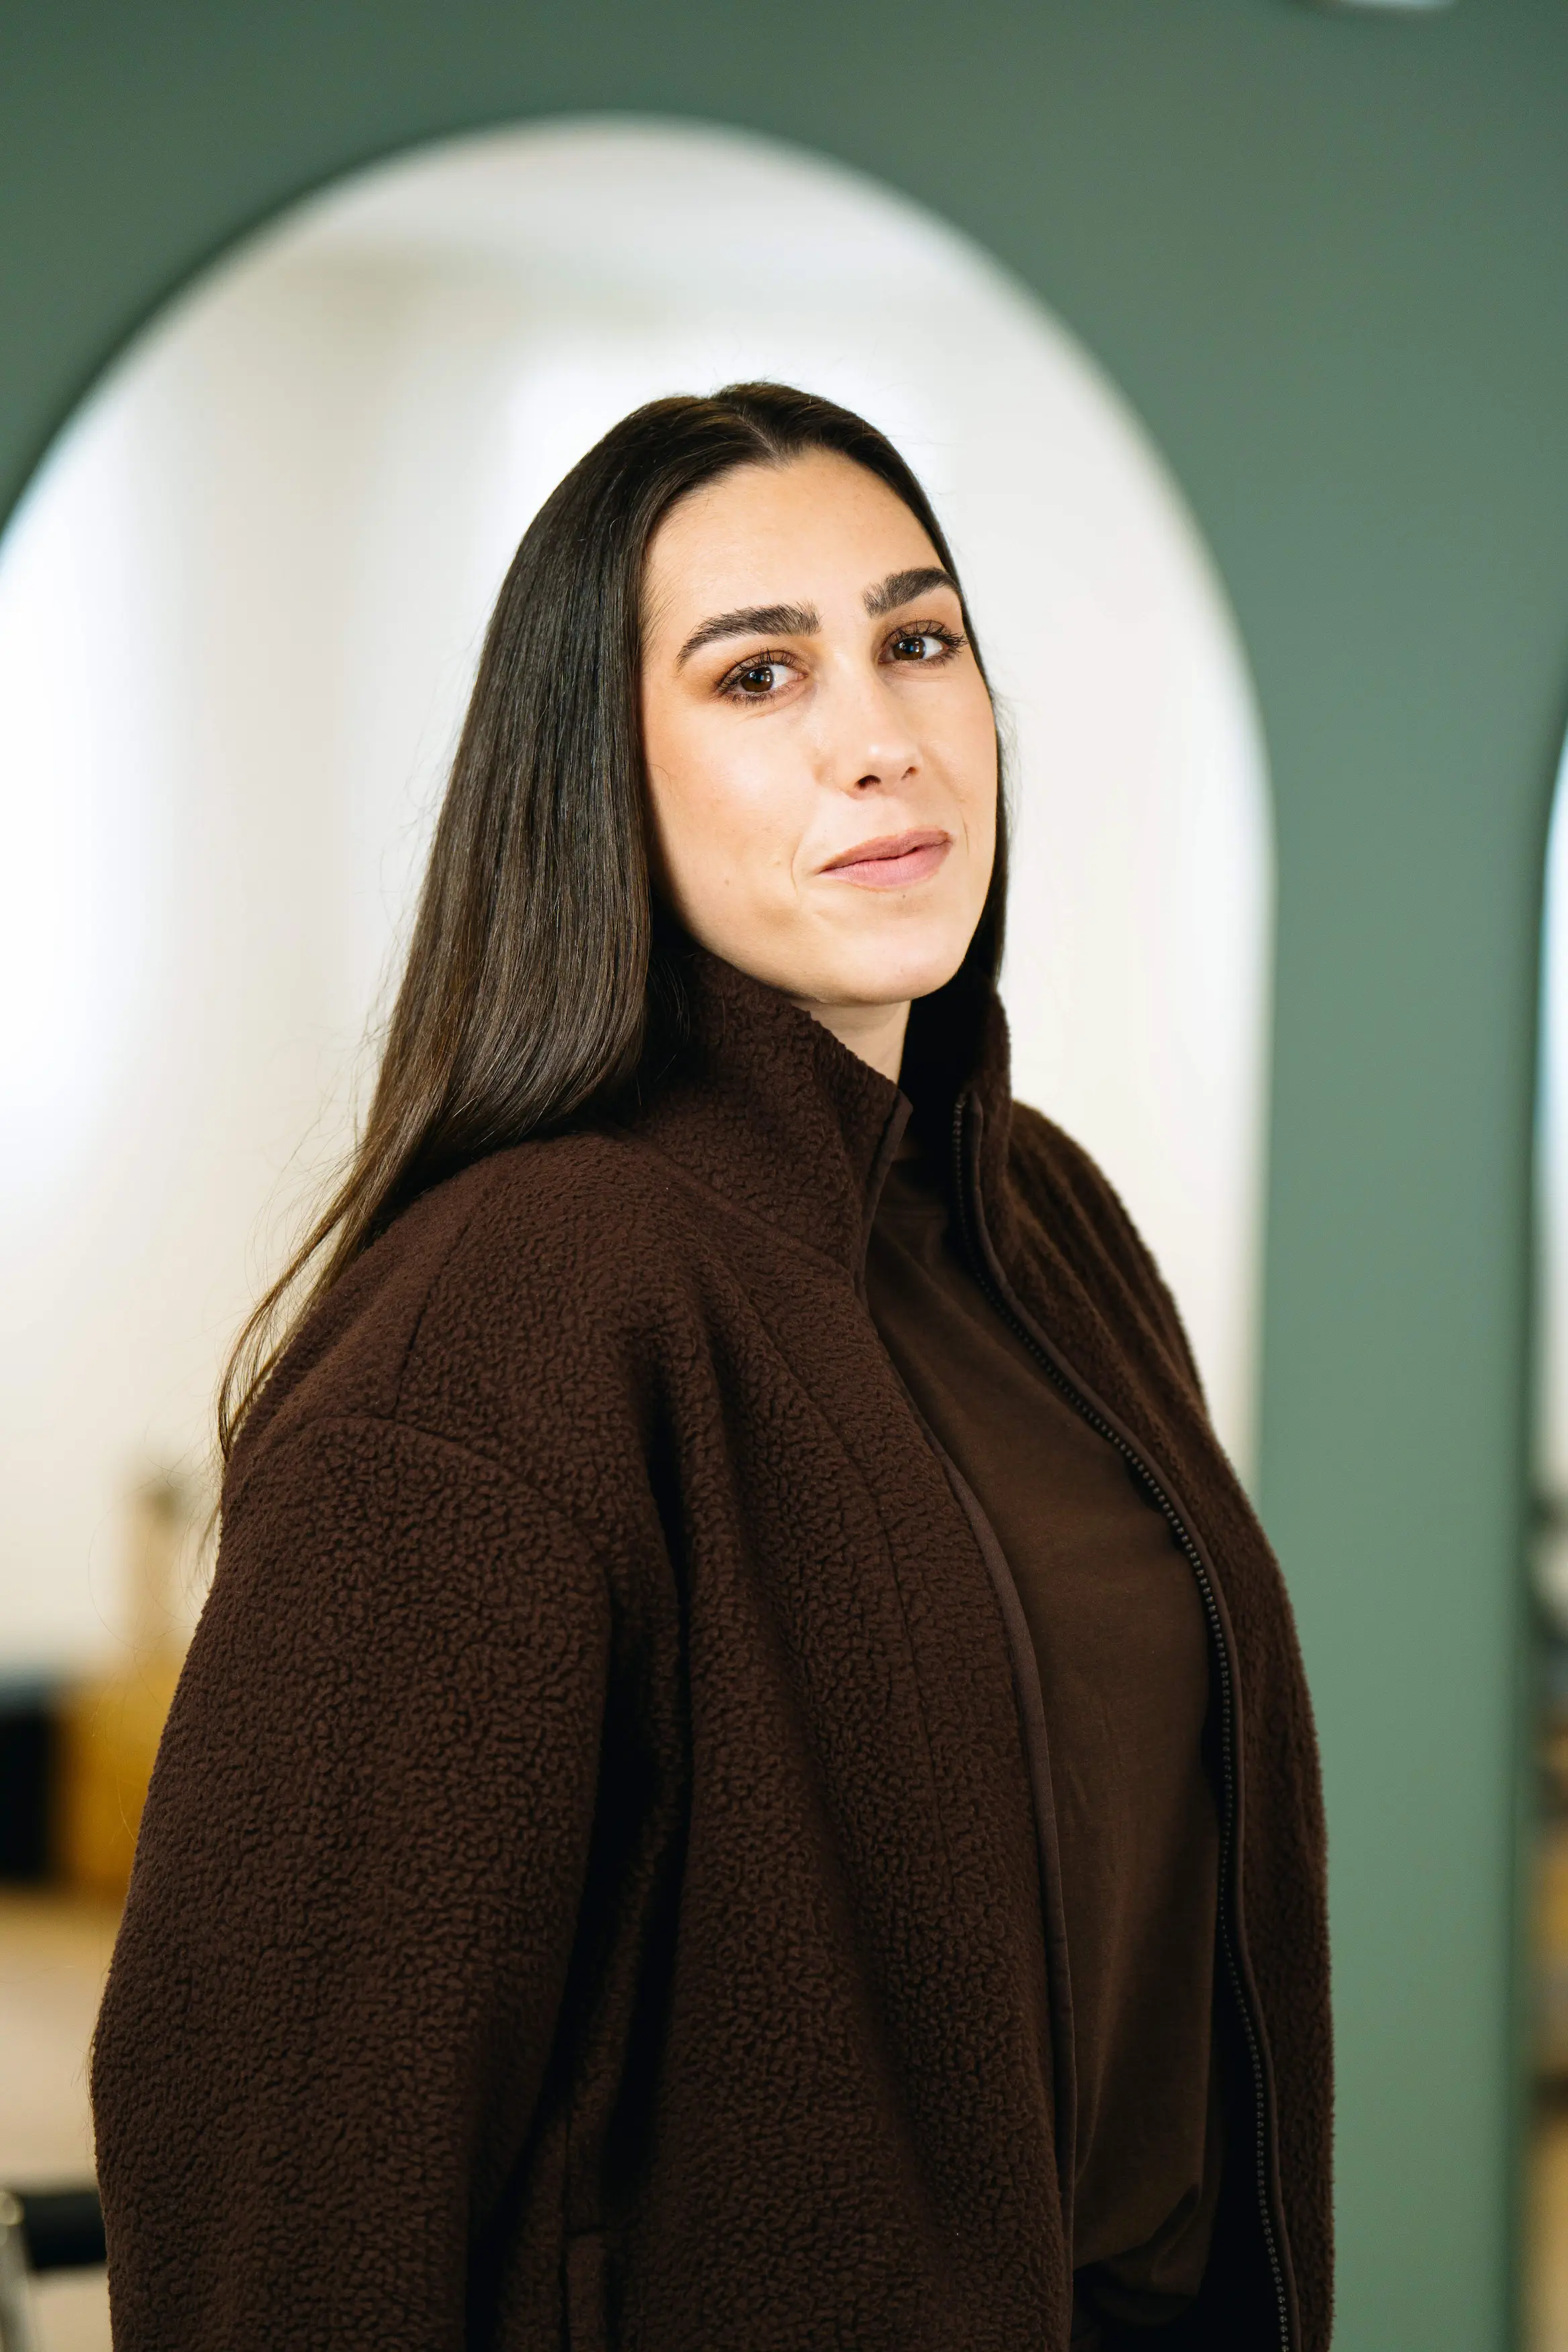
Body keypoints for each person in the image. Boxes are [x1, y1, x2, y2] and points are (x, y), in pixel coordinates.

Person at [91, 384, 1330, 2351]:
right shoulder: (517, 1310)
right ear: (602, 776)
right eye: (760, 677)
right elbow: (272, 2161)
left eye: (920, 640)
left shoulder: (1044, 1220)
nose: (882, 737)